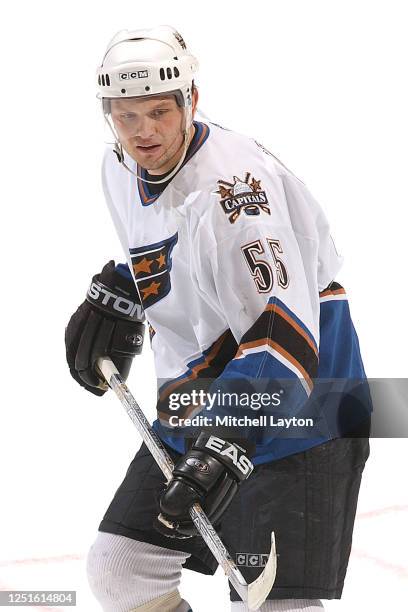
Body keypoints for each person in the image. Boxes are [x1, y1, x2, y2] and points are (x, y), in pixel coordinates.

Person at [65, 26, 371, 612]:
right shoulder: (119, 169)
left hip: (301, 414)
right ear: (109, 115)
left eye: (158, 112)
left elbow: (285, 338)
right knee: (124, 570)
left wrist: (226, 439)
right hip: (198, 401)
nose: (144, 132)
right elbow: (176, 251)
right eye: (127, 117)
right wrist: (125, 290)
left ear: (191, 101)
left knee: (274, 605)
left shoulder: (236, 195)